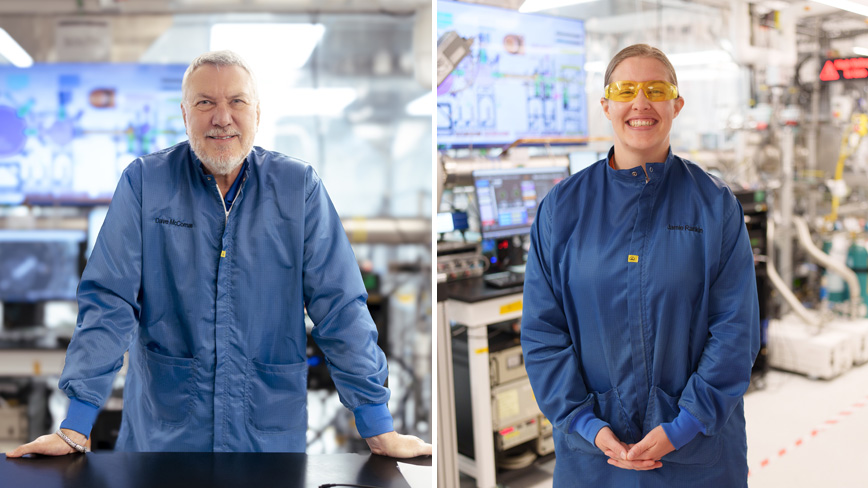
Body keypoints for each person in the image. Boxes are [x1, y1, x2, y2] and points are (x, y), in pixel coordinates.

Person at [6, 50, 431, 458]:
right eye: (205, 102)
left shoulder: (298, 188)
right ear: (185, 114)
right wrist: (76, 424)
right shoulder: (144, 185)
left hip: (267, 440)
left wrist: (376, 423)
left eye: (237, 101)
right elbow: (108, 302)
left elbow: (340, 307)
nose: (221, 117)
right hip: (164, 438)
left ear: (258, 114)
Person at [520, 44, 760, 486]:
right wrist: (585, 423)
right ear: (606, 104)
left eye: (656, 88)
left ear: (676, 104)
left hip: (698, 453)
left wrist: (685, 423)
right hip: (595, 457)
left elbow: (736, 330)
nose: (640, 102)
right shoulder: (563, 208)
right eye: (626, 89)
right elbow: (542, 331)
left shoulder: (714, 205)